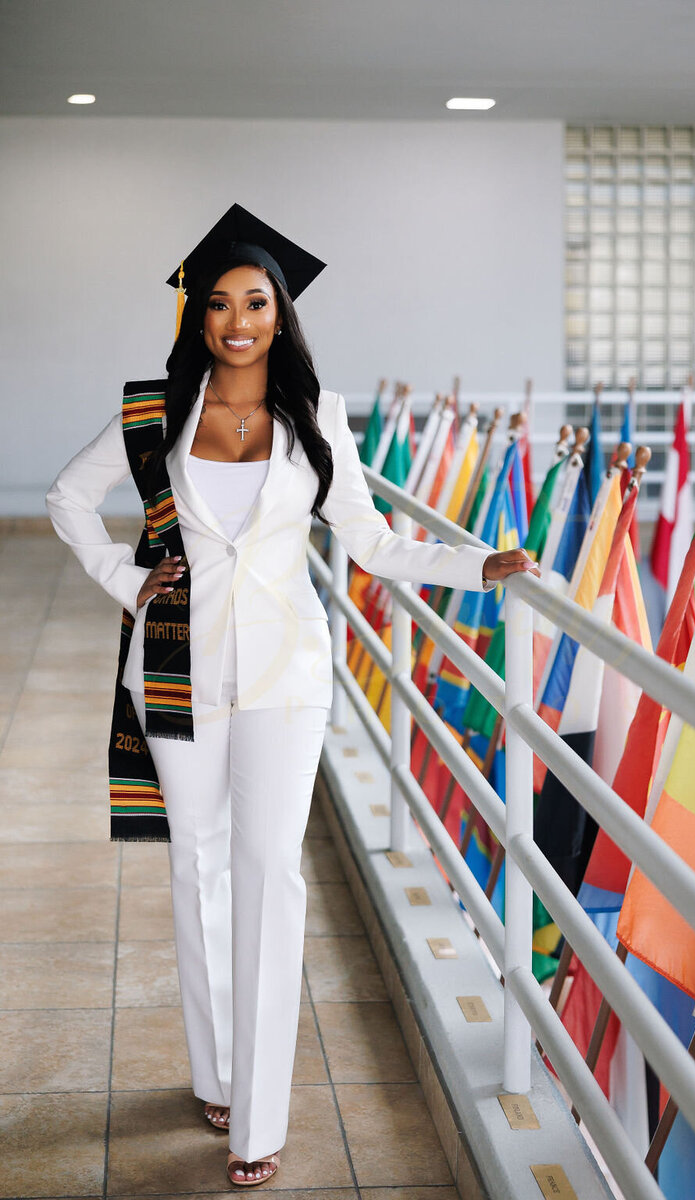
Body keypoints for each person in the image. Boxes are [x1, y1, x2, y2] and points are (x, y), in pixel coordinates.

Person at [46, 203, 538, 1188]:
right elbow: (66, 498)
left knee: (270, 870)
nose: (237, 320)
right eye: (219, 303)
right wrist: (123, 579)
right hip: (176, 666)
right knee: (199, 869)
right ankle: (214, 1071)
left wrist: (475, 565)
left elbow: (367, 540)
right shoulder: (155, 408)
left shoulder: (318, 416)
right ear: (197, 316)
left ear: (281, 315)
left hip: (285, 675)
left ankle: (256, 1121)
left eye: (255, 302)